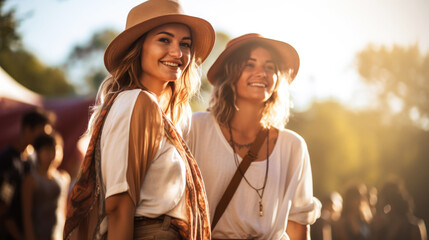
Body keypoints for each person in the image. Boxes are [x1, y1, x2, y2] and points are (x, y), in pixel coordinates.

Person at [63, 0, 215, 239]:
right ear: (139, 46)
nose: (177, 53)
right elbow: (119, 206)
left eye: (185, 44)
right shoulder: (139, 101)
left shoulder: (146, 107)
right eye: (164, 40)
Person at [186, 33, 321, 239]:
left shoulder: (293, 146)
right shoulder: (196, 127)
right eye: (250, 64)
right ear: (230, 74)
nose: (261, 73)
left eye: (270, 66)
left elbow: (297, 225)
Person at [0, 109, 54, 240]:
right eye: (41, 133)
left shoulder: (32, 160)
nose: (43, 139)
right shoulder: (8, 161)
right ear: (28, 129)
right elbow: (3, 207)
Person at [21, 133, 70, 240]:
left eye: (54, 150)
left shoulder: (63, 178)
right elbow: (27, 215)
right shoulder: (31, 180)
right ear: (38, 152)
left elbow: (63, 209)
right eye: (47, 150)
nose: (51, 154)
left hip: (58, 235)